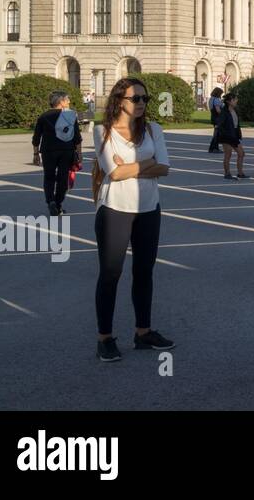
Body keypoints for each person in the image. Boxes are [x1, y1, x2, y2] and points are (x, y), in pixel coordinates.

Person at [93, 76, 174, 362]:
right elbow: (113, 174)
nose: (141, 103)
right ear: (119, 100)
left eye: (144, 99)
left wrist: (130, 166)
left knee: (144, 272)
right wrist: (146, 163)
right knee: (111, 274)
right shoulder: (102, 131)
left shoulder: (154, 129)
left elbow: (164, 168)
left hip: (149, 208)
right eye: (135, 98)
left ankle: (143, 332)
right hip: (115, 208)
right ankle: (105, 338)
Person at [31, 90, 82, 216]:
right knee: (63, 178)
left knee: (48, 177)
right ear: (61, 102)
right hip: (66, 150)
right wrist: (79, 153)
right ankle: (58, 203)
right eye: (67, 99)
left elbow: (36, 137)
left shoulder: (43, 116)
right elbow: (77, 137)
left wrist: (36, 154)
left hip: (48, 151)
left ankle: (51, 201)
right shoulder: (70, 116)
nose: (69, 101)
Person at [216, 92, 247, 179]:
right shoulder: (224, 112)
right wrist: (224, 134)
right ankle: (227, 174)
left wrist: (238, 134)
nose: (236, 101)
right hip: (226, 136)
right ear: (229, 101)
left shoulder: (235, 110)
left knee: (241, 153)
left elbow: (236, 124)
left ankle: (240, 173)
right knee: (228, 154)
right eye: (235, 99)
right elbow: (219, 124)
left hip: (234, 135)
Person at [206, 87, 224, 153]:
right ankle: (215, 148)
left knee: (216, 133)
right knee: (217, 134)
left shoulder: (211, 99)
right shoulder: (216, 99)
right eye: (220, 94)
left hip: (213, 117)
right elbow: (218, 110)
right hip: (217, 118)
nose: (221, 95)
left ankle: (212, 148)